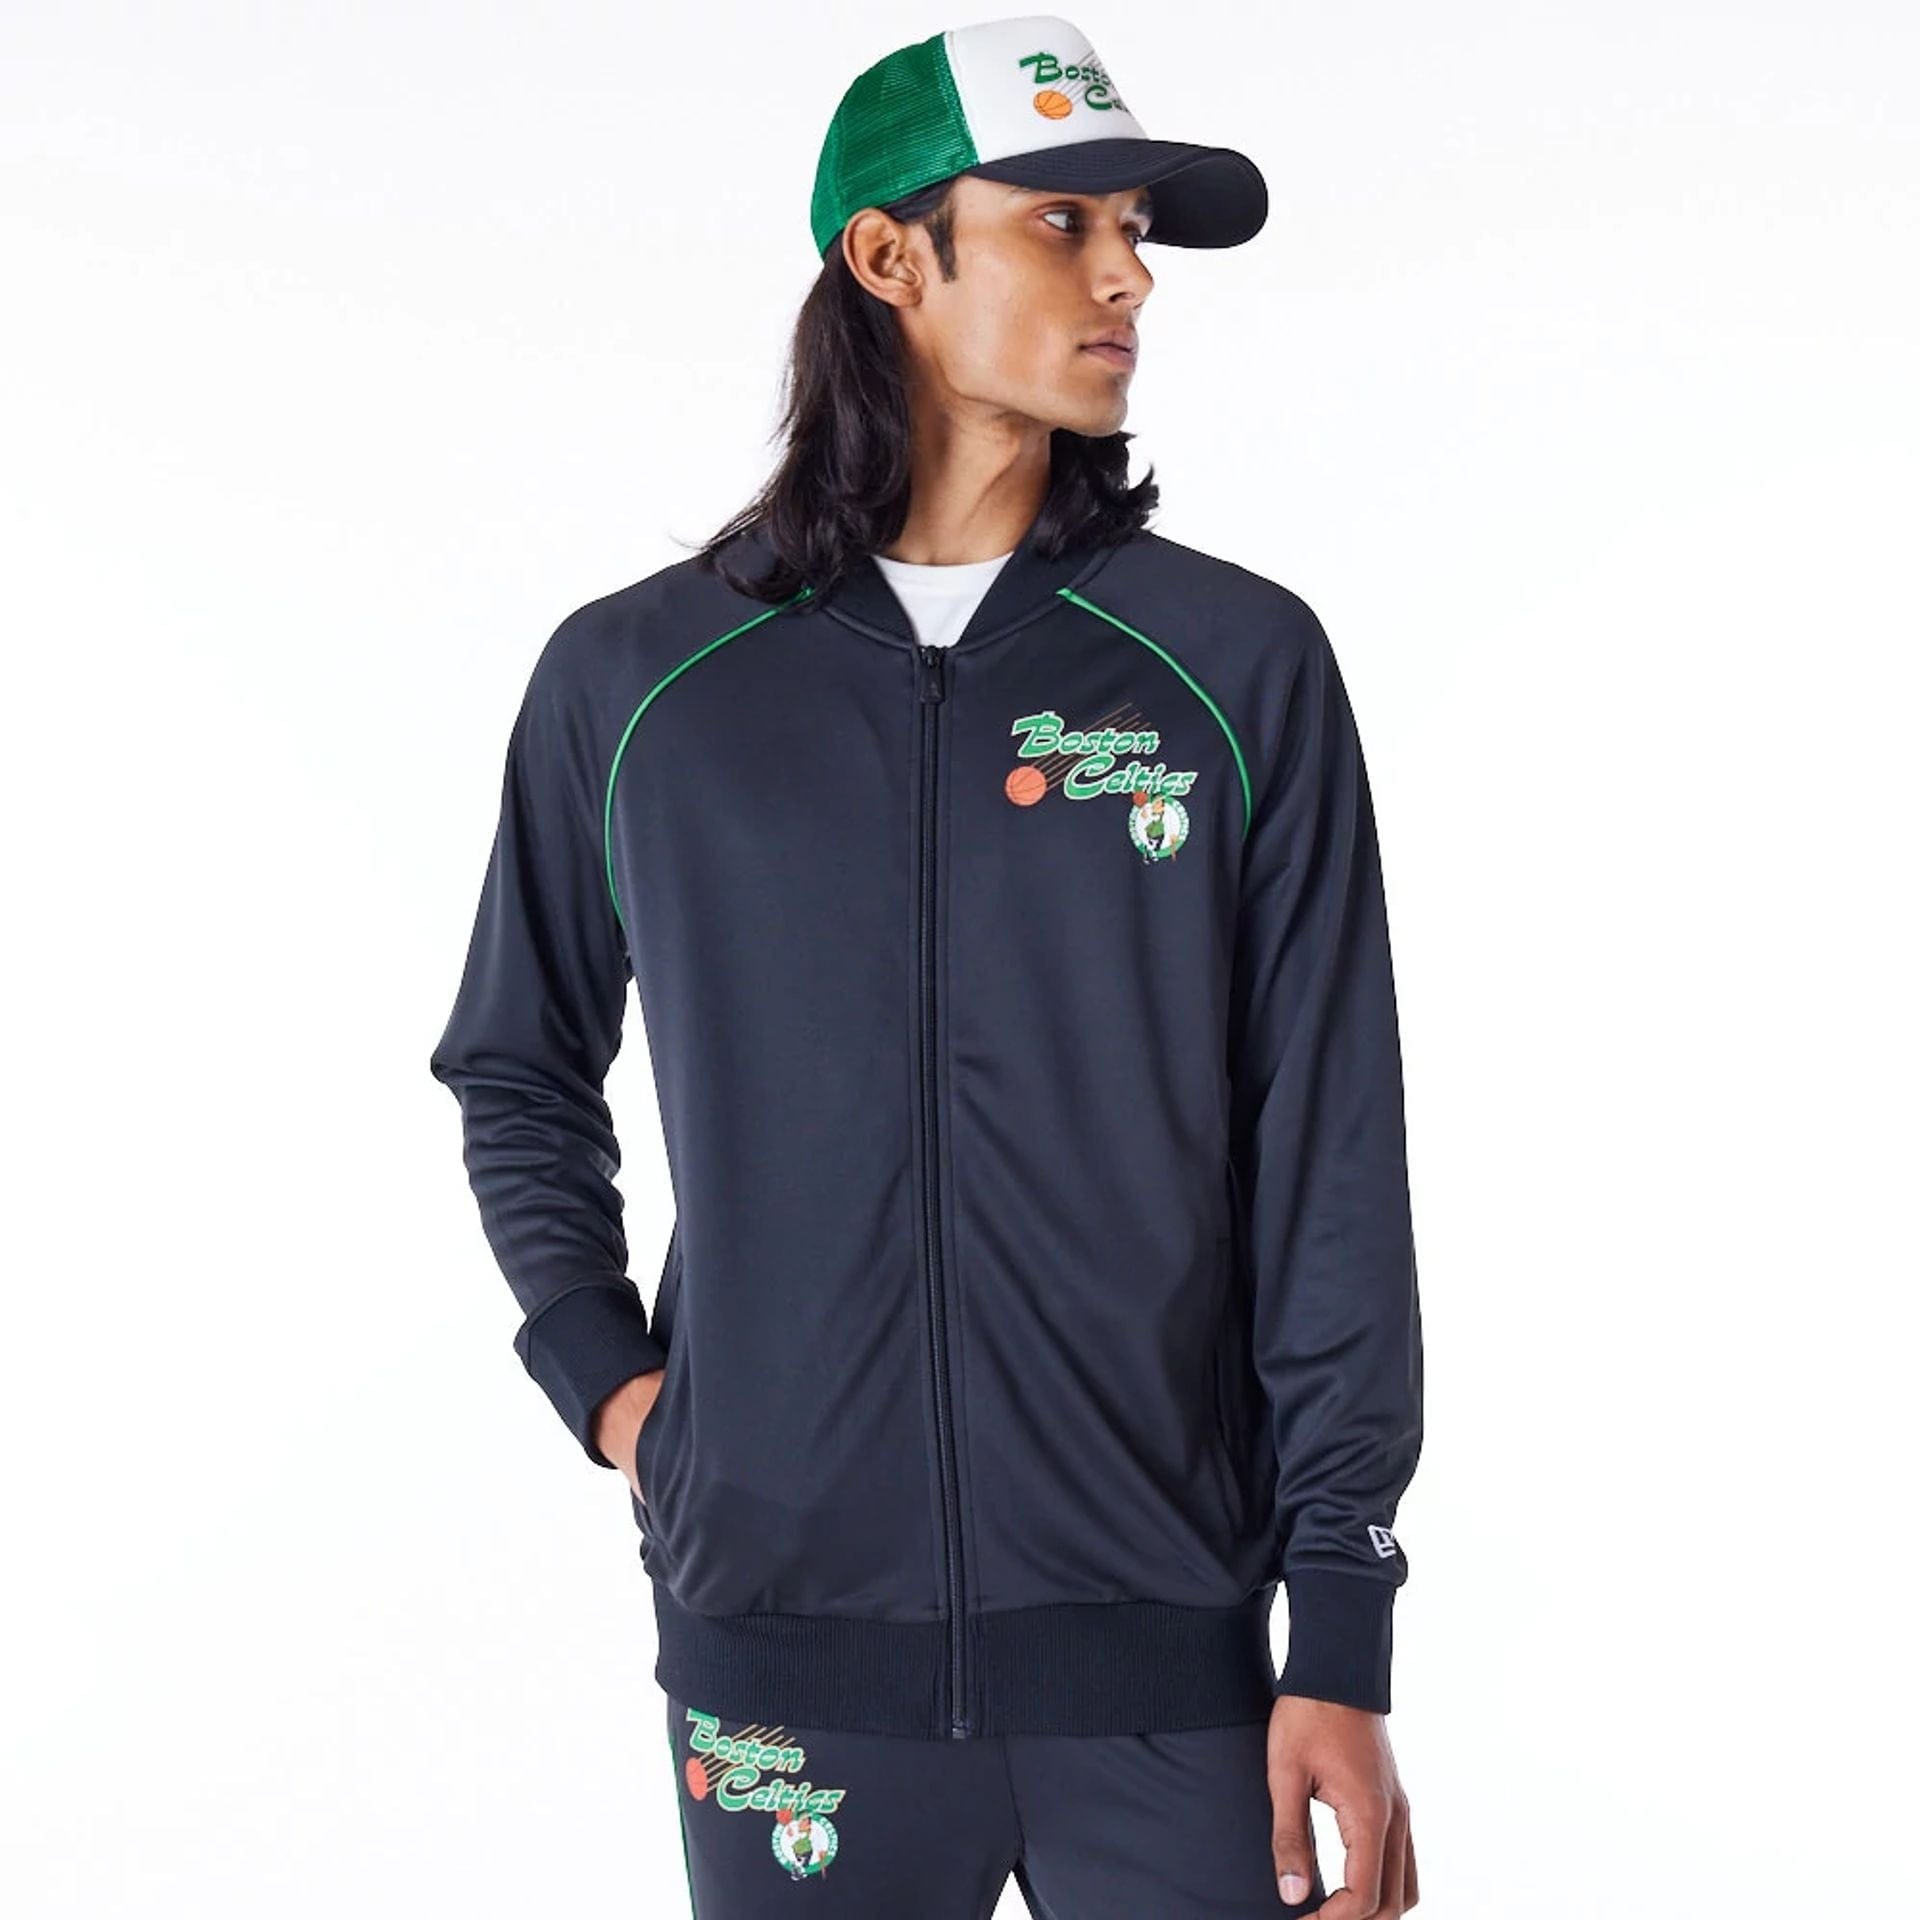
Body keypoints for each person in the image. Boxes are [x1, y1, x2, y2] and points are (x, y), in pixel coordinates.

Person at [429, 16, 1424, 1917]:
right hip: (780, 1668)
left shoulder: (1236, 670)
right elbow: (516, 1061)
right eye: (1062, 225)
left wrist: (1344, 1628)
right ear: (890, 257)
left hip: (1175, 1664)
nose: (1129, 276)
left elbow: (1330, 1156)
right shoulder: (639, 684)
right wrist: (618, 1389)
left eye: (1136, 230)